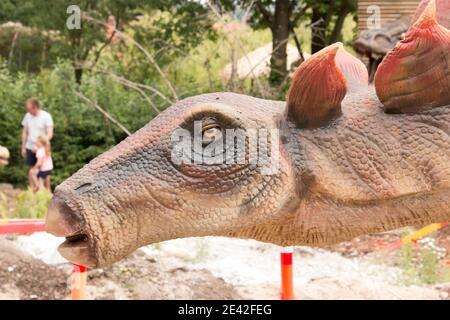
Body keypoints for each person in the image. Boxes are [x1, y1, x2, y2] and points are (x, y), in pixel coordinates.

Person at [21, 98, 54, 189]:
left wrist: (41, 146)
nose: (27, 110)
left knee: (45, 170)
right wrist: (23, 147)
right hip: (30, 147)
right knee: (31, 169)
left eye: (29, 108)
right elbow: (24, 132)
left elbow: (50, 133)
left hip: (42, 149)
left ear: (35, 107)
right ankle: (33, 191)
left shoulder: (46, 116)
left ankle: (47, 191)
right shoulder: (27, 116)